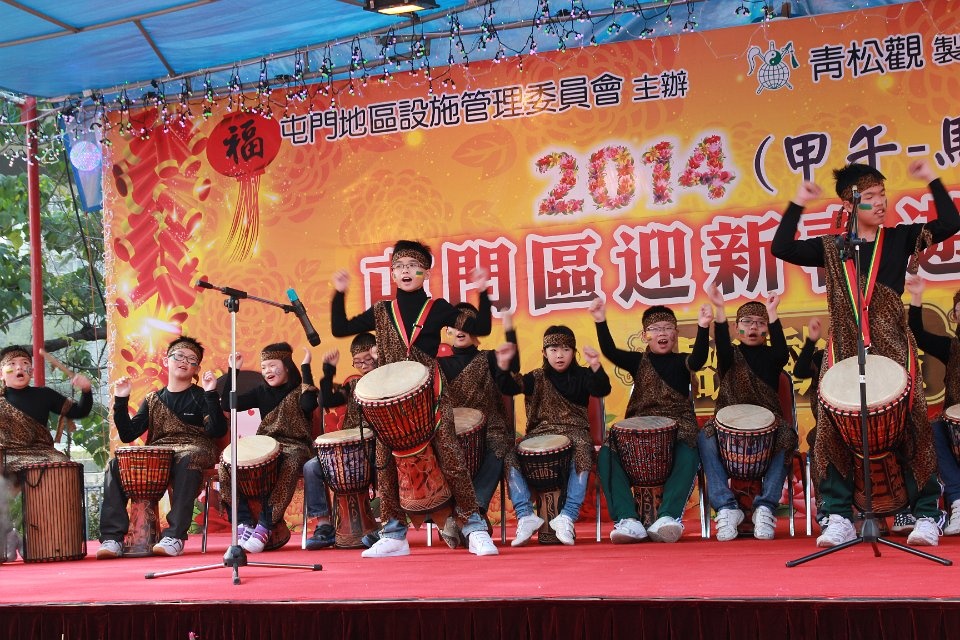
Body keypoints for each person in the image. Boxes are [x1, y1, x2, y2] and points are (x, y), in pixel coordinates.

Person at [772, 159, 960, 548]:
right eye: (871, 196)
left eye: (883, 195)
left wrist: (931, 179)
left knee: (914, 427)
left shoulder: (900, 239)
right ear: (849, 204)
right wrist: (798, 202)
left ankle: (927, 515)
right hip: (844, 351)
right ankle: (839, 516)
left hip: (893, 350)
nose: (881, 202)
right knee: (831, 431)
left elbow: (950, 222)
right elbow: (782, 247)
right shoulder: (833, 247)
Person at [331, 239, 499, 557]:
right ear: (393, 274)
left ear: (425, 273)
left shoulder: (438, 308)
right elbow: (340, 327)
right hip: (390, 401)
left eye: (413, 266)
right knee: (385, 465)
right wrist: (339, 293)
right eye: (399, 266)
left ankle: (474, 527)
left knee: (451, 458)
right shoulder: (382, 311)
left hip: (430, 396)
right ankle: (394, 534)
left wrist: (483, 291)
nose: (406, 271)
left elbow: (483, 326)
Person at [589, 298, 712, 543]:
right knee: (607, 454)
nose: (662, 333)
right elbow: (610, 351)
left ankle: (668, 517)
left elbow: (698, 359)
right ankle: (628, 520)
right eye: (655, 329)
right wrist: (600, 320)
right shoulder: (638, 362)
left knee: (690, 448)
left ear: (676, 334)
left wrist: (703, 326)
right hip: (639, 426)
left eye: (667, 328)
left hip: (678, 423)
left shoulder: (683, 361)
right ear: (645, 335)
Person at [98, 336, 228, 558]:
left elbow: (217, 430)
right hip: (161, 452)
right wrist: (121, 400)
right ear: (167, 361)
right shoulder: (152, 399)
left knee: (187, 458)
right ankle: (113, 538)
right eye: (179, 356)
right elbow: (128, 434)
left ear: (196, 368)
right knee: (115, 464)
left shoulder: (200, 395)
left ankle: (175, 536)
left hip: (196, 447)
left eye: (191, 359)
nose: (184, 361)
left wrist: (210, 394)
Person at [495, 325, 612, 546]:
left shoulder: (583, 375)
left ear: (573, 352)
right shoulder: (536, 378)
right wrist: (502, 365)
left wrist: (596, 365)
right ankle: (525, 515)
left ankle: (567, 516)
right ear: (544, 352)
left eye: (566, 349)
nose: (559, 355)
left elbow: (602, 388)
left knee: (582, 450)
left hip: (575, 432)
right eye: (554, 349)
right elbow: (509, 386)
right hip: (539, 435)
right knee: (509, 454)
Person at [698, 289, 796, 541]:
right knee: (704, 436)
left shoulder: (773, 357)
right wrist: (720, 309)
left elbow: (782, 352)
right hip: (726, 426)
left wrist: (772, 312)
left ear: (767, 330)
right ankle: (726, 507)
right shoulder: (730, 356)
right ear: (737, 328)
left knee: (787, 435)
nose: (753, 328)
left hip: (770, 425)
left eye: (760, 323)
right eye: (747, 322)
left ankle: (766, 507)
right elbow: (722, 344)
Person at [219, 343, 316, 553]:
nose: (267, 371)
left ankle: (265, 526)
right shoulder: (260, 392)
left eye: (272, 365)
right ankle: (244, 522)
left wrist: (306, 368)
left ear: (287, 366)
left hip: (296, 446)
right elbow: (228, 404)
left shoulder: (300, 390)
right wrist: (233, 371)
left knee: (290, 461)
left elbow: (309, 405)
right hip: (268, 446)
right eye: (263, 367)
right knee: (227, 463)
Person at [437, 304, 519, 547]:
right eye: (456, 324)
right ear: (448, 330)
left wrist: (509, 330)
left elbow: (512, 372)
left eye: (468, 324)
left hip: (490, 426)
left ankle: (466, 513)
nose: (461, 329)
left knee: (499, 446)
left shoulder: (490, 357)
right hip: (452, 430)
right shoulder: (438, 364)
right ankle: (464, 518)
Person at [0, 345, 92, 561]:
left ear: (31, 371)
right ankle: (6, 536)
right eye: (12, 365)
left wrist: (86, 391)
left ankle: (43, 540)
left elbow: (80, 411)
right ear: (1, 373)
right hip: (6, 455)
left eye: (25, 364)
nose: (19, 368)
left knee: (63, 467)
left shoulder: (44, 395)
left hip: (41, 453)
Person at [301, 332, 378, 550]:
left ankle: (386, 524)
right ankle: (324, 526)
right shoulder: (353, 385)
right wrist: (328, 370)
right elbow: (327, 400)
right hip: (350, 450)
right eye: (358, 362)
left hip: (379, 447)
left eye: (368, 359)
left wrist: (381, 363)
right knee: (311, 467)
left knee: (387, 465)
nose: (363, 366)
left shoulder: (389, 379)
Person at [906, 274, 960, 536]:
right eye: (959, 311)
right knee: (934, 428)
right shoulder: (951, 347)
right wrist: (917, 297)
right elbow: (917, 335)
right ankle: (958, 501)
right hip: (954, 420)